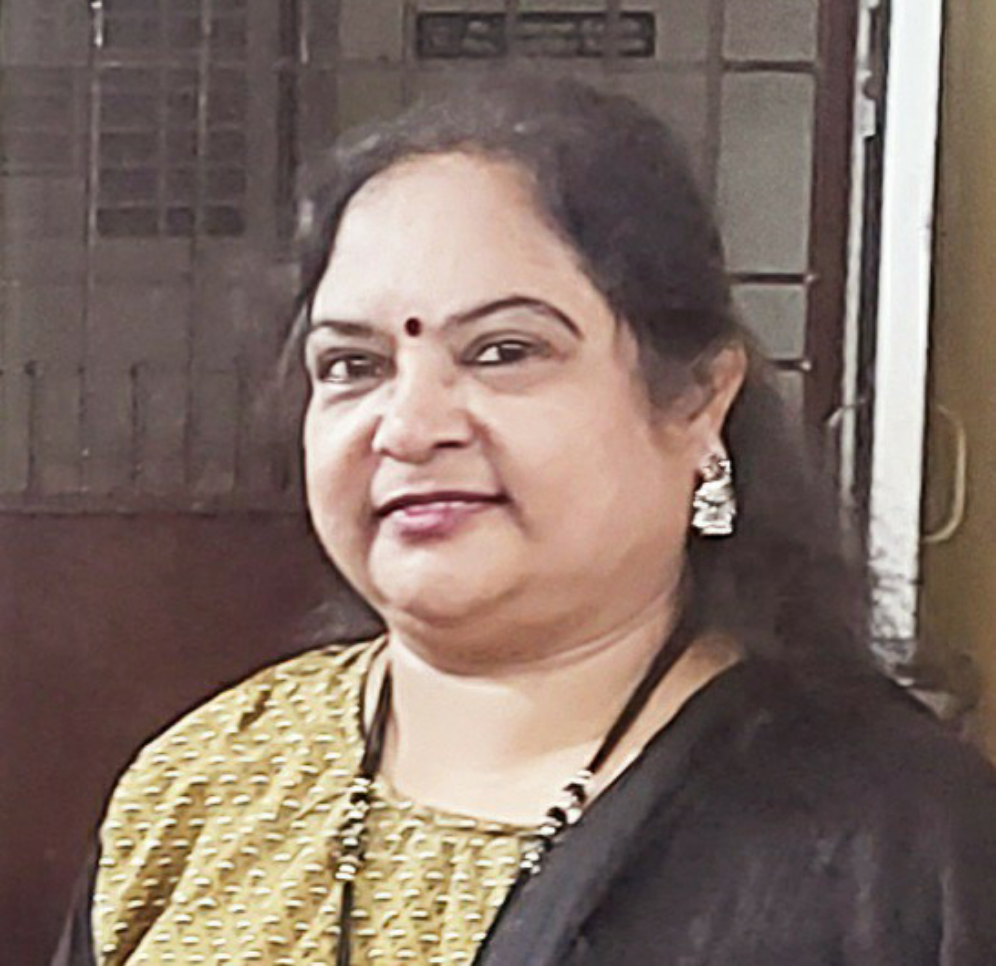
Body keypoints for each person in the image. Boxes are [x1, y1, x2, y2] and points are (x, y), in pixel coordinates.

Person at [54, 73, 996, 965]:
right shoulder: (206, 786)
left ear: (698, 400)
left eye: (504, 350)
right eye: (352, 365)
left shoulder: (891, 845)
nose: (408, 427)